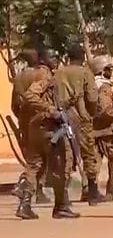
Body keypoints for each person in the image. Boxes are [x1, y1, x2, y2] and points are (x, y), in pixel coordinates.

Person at [17, 47, 79, 219]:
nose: (56, 59)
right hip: (48, 129)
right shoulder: (45, 76)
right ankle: (61, 206)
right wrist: (52, 110)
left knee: (33, 166)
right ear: (44, 60)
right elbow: (31, 96)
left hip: (33, 126)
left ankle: (25, 205)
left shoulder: (26, 74)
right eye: (53, 56)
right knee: (61, 166)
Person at [55, 43, 101, 206]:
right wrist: (92, 112)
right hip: (82, 118)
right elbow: (93, 97)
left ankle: (63, 196)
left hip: (62, 117)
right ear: (82, 58)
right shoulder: (85, 73)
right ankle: (93, 192)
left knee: (66, 155)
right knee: (88, 154)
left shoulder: (59, 73)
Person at [11, 49, 51, 204]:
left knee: (32, 157)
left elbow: (14, 104)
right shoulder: (42, 75)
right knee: (43, 157)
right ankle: (33, 188)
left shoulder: (19, 77)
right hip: (40, 119)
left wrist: (21, 117)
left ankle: (29, 188)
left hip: (24, 120)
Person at [90, 55, 113, 200]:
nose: (111, 72)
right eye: (109, 69)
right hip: (107, 131)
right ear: (102, 70)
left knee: (94, 162)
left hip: (93, 131)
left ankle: (90, 190)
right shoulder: (104, 87)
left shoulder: (92, 85)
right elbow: (105, 108)